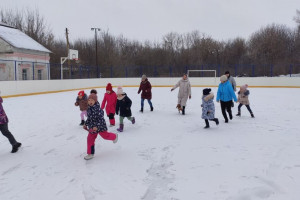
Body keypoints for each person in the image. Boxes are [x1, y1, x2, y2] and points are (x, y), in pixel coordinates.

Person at [83, 93, 118, 160]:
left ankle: (114, 136)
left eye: (92, 100)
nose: (90, 102)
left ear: (95, 101)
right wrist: (86, 124)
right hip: (92, 128)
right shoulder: (89, 109)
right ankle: (90, 153)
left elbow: (100, 119)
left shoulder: (98, 109)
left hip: (100, 126)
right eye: (89, 100)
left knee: (105, 136)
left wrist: (96, 126)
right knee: (90, 139)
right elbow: (89, 118)